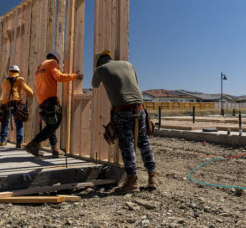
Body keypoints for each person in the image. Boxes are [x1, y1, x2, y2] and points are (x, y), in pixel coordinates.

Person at [92, 50, 158, 194]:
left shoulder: (100, 69)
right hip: (139, 109)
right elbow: (134, 83)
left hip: (122, 111)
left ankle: (132, 182)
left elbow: (95, 84)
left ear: (98, 62)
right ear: (110, 58)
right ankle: (153, 177)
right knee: (143, 142)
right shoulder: (128, 64)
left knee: (127, 145)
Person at [25, 51, 83, 158]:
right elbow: (59, 77)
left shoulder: (39, 67)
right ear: (56, 59)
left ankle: (55, 149)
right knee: (55, 123)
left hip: (41, 100)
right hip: (50, 99)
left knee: (51, 124)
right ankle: (34, 143)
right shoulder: (52, 63)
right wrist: (74, 76)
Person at [0, 65, 34, 148]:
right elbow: (26, 88)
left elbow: (4, 90)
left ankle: (3, 141)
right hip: (15, 103)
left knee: (4, 122)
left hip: (5, 103)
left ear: (10, 72)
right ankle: (19, 142)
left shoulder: (5, 81)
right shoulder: (19, 79)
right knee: (18, 122)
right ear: (18, 72)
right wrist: (33, 95)